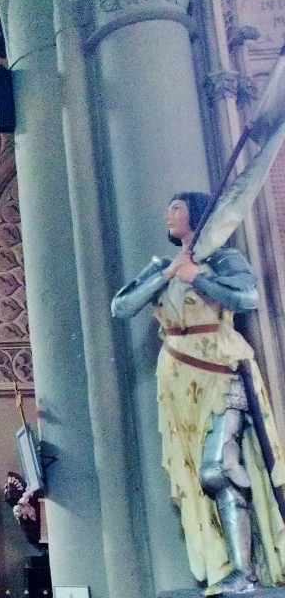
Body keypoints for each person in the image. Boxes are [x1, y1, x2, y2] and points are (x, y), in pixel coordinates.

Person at [112, 191, 285, 594]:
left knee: (218, 468)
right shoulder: (164, 266)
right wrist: (168, 273)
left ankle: (246, 570)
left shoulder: (223, 259)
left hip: (220, 370)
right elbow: (122, 306)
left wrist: (199, 277)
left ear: (196, 214)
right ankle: (223, 562)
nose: (168, 213)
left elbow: (247, 297)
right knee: (195, 474)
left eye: (176, 207)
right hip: (177, 380)